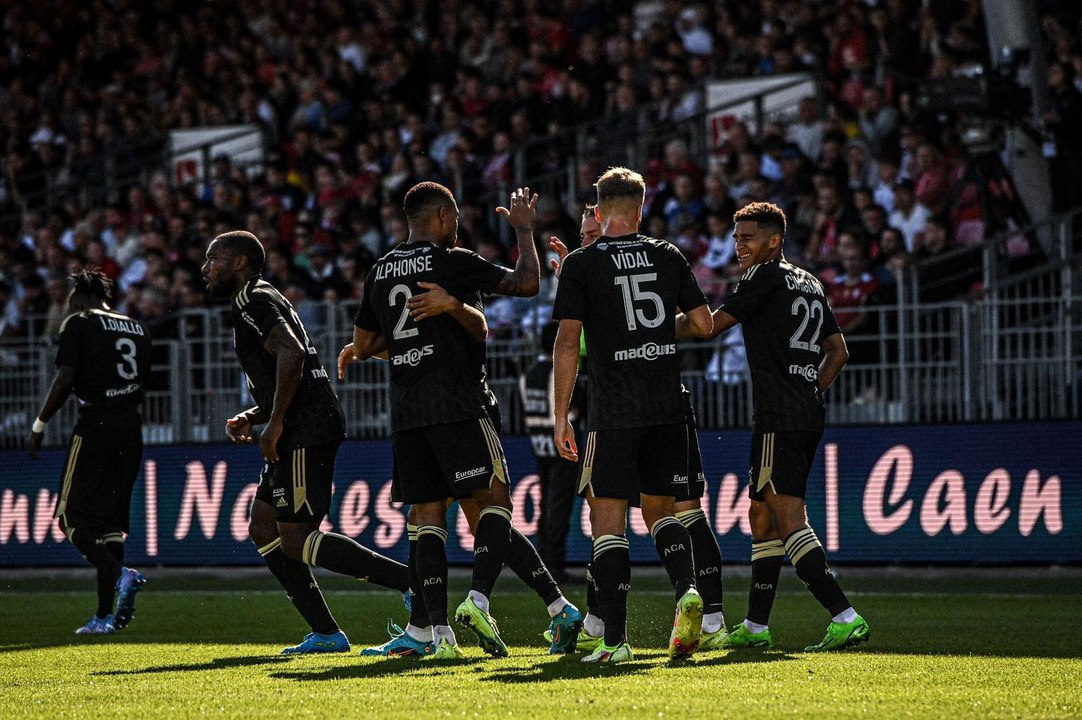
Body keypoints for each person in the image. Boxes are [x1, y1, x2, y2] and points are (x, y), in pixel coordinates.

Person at [343, 182, 581, 659]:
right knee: (493, 507)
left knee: (428, 517)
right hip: (459, 403)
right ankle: (475, 607)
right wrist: (524, 230)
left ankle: (437, 632)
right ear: (444, 216)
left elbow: (367, 343)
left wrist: (370, 348)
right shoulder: (450, 261)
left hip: (409, 411)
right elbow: (527, 283)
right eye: (455, 219)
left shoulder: (381, 270)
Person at [202, 229, 410, 655]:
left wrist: (274, 422)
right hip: (301, 421)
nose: (205, 268)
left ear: (239, 262)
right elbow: (296, 369)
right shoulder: (266, 296)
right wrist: (256, 414)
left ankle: (413, 585)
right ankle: (327, 633)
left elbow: (293, 354)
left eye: (213, 259)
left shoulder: (252, 300)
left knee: (296, 537)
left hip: (304, 427)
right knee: (263, 527)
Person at [686, 201, 869, 652]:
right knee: (761, 516)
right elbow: (838, 351)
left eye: (748, 238)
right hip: (804, 413)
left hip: (777, 418)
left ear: (774, 240)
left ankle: (844, 615)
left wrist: (644, 333)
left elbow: (709, 327)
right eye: (736, 237)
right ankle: (754, 627)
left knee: (787, 518)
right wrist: (811, 391)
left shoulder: (762, 276)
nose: (739, 246)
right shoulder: (809, 281)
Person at [551, 167, 714, 664]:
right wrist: (658, 333)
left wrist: (561, 416)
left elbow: (565, 343)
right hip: (666, 405)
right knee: (661, 512)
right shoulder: (667, 254)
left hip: (613, 410)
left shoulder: (582, 263)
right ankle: (687, 590)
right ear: (641, 209)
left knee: (608, 521)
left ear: (598, 212)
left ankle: (616, 641)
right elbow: (704, 324)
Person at [26, 270, 151, 635]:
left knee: (71, 517)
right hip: (131, 427)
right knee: (110, 526)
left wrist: (39, 424)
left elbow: (65, 376)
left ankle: (120, 576)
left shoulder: (79, 321)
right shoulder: (137, 326)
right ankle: (104, 617)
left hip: (96, 423)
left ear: (79, 297)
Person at [519, 320, 579, 585]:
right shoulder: (558, 373)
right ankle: (554, 564)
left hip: (538, 443)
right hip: (561, 446)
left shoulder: (528, 374)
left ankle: (543, 562)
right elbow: (569, 412)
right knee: (558, 507)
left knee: (546, 505)